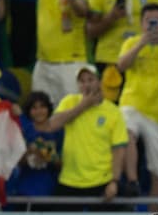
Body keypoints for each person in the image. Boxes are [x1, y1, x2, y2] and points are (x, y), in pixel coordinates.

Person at [48, 65, 128, 201]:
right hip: (70, 180)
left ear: (99, 81)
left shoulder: (113, 111)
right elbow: (52, 125)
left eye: (90, 80)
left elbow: (118, 149)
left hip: (102, 181)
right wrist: (83, 106)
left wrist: (114, 181)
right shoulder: (69, 102)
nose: (86, 85)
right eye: (82, 81)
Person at [117, 3, 158, 199]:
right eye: (149, 21)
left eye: (157, 21)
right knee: (126, 129)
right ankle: (132, 180)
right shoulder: (132, 42)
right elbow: (121, 66)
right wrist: (142, 42)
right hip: (133, 105)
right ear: (141, 24)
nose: (153, 25)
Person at [87, 0, 158, 102]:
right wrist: (111, 17)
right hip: (110, 60)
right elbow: (90, 32)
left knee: (141, 103)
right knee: (110, 105)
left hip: (141, 60)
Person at [33, 0, 90, 106]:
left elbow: (83, 10)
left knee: (73, 113)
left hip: (70, 63)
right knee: (41, 116)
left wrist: (72, 1)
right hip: (43, 62)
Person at [6, 91, 63, 197]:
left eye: (42, 106)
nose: (39, 111)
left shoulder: (58, 132)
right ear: (29, 111)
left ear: (48, 108)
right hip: (24, 189)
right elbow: (14, 161)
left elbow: (60, 163)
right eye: (34, 108)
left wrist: (45, 152)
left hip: (50, 191)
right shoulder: (21, 132)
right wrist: (28, 152)